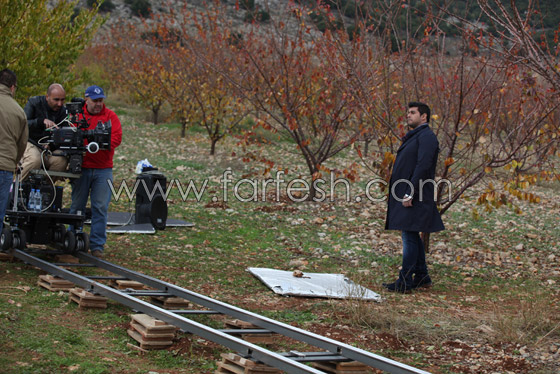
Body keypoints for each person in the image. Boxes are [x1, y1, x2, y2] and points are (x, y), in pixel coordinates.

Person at [383, 102, 444, 293]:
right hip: (409, 191)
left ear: (423, 116)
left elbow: (423, 165)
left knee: (409, 235)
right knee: (411, 233)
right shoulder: (417, 136)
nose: (408, 116)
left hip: (416, 193)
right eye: (407, 112)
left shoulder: (426, 137)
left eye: (412, 113)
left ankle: (405, 281)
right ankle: (422, 276)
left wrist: (411, 191)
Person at [69, 85, 122, 258]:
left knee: (100, 207)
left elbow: (116, 138)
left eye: (101, 101)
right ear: (86, 99)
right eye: (95, 101)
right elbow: (70, 134)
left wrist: (99, 142)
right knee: (77, 205)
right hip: (82, 167)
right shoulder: (77, 115)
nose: (98, 104)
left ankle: (97, 245)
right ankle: (72, 238)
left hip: (103, 169)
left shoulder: (110, 116)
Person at [20, 83, 69, 180]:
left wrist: (52, 145)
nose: (59, 104)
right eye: (56, 100)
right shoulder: (34, 103)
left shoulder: (64, 111)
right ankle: (15, 187)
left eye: (62, 100)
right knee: (34, 160)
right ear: (47, 97)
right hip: (30, 142)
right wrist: (40, 121)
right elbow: (22, 123)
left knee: (61, 160)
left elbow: (65, 137)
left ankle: (46, 189)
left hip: (48, 149)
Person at [0, 69, 28, 233]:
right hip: (4, 166)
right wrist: (14, 161)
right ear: (12, 87)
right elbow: (22, 143)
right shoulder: (19, 111)